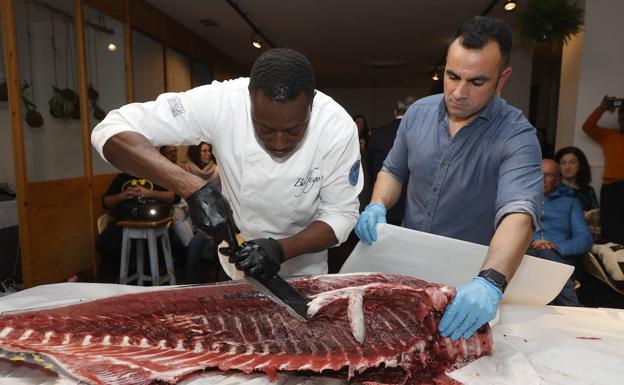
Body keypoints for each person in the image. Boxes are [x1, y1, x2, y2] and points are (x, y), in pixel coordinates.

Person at [92, 48, 362, 281]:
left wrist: (280, 250)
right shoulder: (222, 102)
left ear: (311, 107)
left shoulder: (337, 127)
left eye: (293, 130)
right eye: (265, 129)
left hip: (306, 270)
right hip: (235, 268)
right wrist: (191, 187)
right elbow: (110, 130)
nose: (279, 143)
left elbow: (342, 214)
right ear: (249, 99)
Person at [355, 16, 542, 340]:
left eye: (477, 82)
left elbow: (519, 214)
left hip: (470, 281)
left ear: (502, 79)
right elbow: (393, 171)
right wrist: (377, 204)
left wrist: (491, 281)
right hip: (409, 269)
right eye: (452, 76)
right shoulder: (417, 114)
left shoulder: (517, 135)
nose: (458, 92)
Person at [527, 159, 592, 306]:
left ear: (558, 179)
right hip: (526, 252)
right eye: (539, 174)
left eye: (548, 175)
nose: (542, 179)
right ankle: (574, 308)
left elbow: (584, 238)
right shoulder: (522, 199)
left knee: (547, 254)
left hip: (558, 256)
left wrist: (556, 246)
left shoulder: (570, 202)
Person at [95, 173, 178, 282]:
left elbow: (174, 197)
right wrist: (122, 196)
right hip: (124, 223)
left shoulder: (157, 173)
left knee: (152, 246)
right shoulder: (122, 177)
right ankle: (124, 277)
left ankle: (148, 281)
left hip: (154, 224)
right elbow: (105, 202)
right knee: (104, 242)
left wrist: (150, 193)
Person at [366, 96, 416, 225]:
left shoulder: (377, 133)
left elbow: (369, 166)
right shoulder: (417, 135)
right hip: (408, 205)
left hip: (377, 201)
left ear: (395, 112)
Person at [582, 96, 624, 244]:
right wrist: (602, 108)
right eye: (620, 119)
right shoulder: (610, 135)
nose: (622, 121)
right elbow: (588, 126)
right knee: (610, 229)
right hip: (612, 188)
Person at [553, 146, 598, 211]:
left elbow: (595, 216)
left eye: (572, 162)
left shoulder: (588, 191)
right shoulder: (552, 189)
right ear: (558, 166)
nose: (567, 167)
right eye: (563, 163)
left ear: (580, 165)